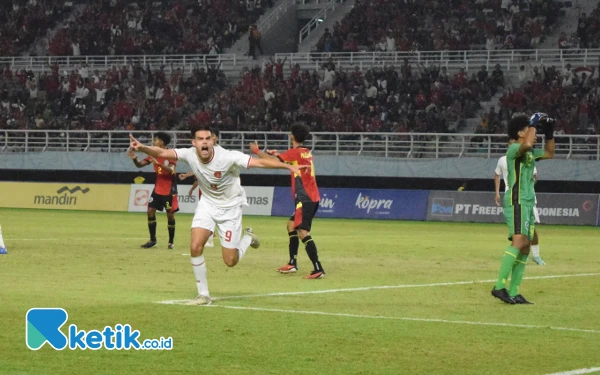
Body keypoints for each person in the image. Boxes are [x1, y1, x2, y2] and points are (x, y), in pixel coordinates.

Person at [128, 124, 307, 305]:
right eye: (200, 139)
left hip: (230, 208)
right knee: (196, 245)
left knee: (230, 261)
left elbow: (259, 162)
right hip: (207, 204)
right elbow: (160, 153)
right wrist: (142, 147)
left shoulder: (228, 157)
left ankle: (248, 238)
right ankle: (203, 294)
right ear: (194, 142)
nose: (204, 142)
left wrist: (288, 167)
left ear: (213, 141)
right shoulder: (189, 154)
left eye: (207, 139)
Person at [491, 113, 555, 305]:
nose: (534, 135)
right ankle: (499, 286)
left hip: (527, 202)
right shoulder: (513, 150)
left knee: (526, 246)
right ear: (520, 133)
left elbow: (550, 153)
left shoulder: (529, 153)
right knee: (519, 241)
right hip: (517, 201)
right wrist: (533, 123)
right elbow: (526, 144)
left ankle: (514, 291)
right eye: (529, 131)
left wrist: (550, 134)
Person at [250, 123, 325, 279]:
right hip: (310, 196)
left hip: (305, 198)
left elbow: (272, 161)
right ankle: (292, 263)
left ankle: (318, 268)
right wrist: (277, 154)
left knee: (303, 232)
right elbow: (289, 159)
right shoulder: (305, 152)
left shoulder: (295, 153)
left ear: (292, 136)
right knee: (291, 225)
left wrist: (257, 152)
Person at [127, 132, 178, 250]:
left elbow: (172, 170)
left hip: (169, 189)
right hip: (158, 188)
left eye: (156, 140)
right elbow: (140, 165)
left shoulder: (170, 154)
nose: (153, 142)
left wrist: (158, 164)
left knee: (170, 215)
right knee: (150, 211)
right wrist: (135, 159)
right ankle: (153, 240)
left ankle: (171, 242)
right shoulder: (152, 154)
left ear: (162, 142)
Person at [494, 156, 545, 265]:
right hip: (512, 199)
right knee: (516, 229)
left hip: (528, 198)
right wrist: (497, 192)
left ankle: (536, 255)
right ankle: (518, 253)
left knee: (531, 229)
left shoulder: (528, 158)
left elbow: (535, 177)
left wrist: (526, 184)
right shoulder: (502, 160)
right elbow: (497, 174)